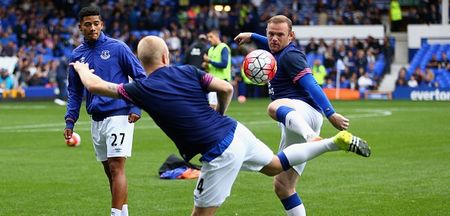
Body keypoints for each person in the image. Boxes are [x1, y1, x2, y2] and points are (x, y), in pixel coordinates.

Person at [70, 35, 371, 216]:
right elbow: (226, 88)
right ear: (166, 56)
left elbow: (98, 87)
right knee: (276, 166)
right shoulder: (188, 70)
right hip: (236, 130)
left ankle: (333, 143)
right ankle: (333, 142)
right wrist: (220, 114)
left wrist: (83, 70)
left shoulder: (141, 88)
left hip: (219, 152)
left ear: (140, 59)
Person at [234, 15, 361, 216]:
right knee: (283, 185)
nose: (274, 39)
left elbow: (311, 83)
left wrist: (331, 113)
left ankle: (313, 138)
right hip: (294, 118)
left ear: (291, 36)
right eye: (270, 34)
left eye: (280, 35)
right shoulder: (275, 49)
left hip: (304, 113)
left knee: (273, 107)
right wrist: (251, 35)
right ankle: (315, 139)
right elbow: (267, 41)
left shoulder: (291, 56)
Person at [63, 6, 146, 216]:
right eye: (88, 24)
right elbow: (74, 92)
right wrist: (70, 120)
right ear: (80, 27)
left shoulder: (118, 48)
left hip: (119, 115)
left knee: (117, 168)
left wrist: (137, 106)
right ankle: (124, 212)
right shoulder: (77, 55)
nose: (93, 28)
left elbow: (141, 78)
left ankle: (115, 214)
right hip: (96, 119)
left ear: (102, 24)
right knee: (110, 171)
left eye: (96, 23)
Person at [203, 29, 231, 109]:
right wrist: (206, 65)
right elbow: (211, 67)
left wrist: (210, 61)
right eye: (208, 37)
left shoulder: (223, 47)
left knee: (217, 107)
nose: (209, 39)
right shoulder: (210, 49)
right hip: (212, 81)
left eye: (211, 37)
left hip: (222, 81)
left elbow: (224, 64)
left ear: (217, 37)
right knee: (213, 106)